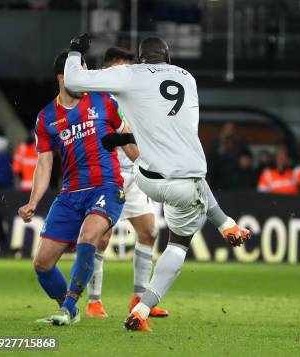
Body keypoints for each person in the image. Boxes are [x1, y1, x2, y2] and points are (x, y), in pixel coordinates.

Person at [64, 34, 251, 331]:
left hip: (146, 176)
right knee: (179, 241)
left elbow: (73, 81)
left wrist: (76, 51)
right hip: (183, 181)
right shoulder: (187, 78)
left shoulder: (130, 73)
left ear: (140, 59)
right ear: (169, 58)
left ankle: (227, 225)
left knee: (171, 208)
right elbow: (168, 124)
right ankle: (142, 306)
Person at [17, 49, 136, 326]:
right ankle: (68, 306)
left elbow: (127, 135)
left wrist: (149, 163)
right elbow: (44, 164)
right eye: (77, 73)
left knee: (88, 237)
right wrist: (33, 201)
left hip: (106, 186)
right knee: (42, 265)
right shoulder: (46, 117)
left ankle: (69, 306)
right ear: (63, 77)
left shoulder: (104, 100)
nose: (84, 78)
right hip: (70, 194)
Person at [84, 47, 168, 319]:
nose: (126, 75)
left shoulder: (133, 97)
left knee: (149, 232)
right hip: (108, 175)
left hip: (134, 174)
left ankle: (139, 299)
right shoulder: (96, 99)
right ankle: (94, 301)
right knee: (102, 237)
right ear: (107, 70)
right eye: (121, 69)